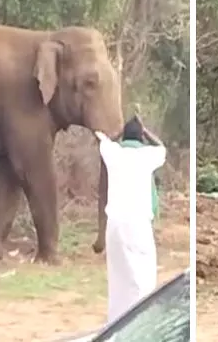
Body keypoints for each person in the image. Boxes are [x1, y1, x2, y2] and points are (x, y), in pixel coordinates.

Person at [95, 114, 167, 323]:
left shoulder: (114, 153)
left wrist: (120, 133)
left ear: (125, 136)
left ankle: (118, 322)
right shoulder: (147, 156)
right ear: (142, 137)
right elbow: (162, 147)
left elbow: (104, 139)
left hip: (115, 225)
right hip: (138, 224)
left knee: (118, 277)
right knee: (143, 276)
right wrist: (145, 131)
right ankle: (141, 321)